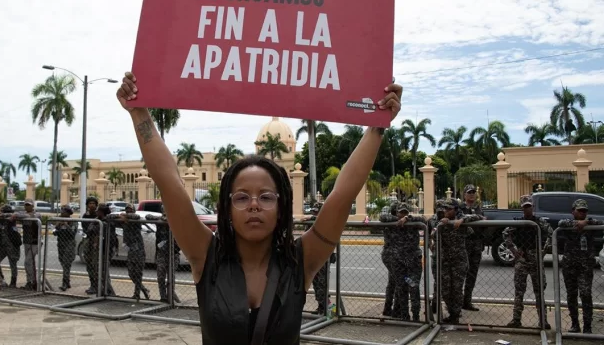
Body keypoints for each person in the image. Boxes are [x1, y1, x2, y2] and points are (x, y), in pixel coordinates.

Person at [116, 71, 402, 343]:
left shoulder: (301, 261)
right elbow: (170, 183)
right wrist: (138, 112)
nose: (254, 205)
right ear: (227, 209)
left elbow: (342, 194)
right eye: (241, 198)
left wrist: (378, 125)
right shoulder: (206, 257)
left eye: (266, 197)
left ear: (281, 207)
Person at [558, 199, 604, 334]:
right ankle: (575, 324)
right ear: (573, 211)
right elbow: (560, 223)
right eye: (579, 211)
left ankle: (587, 326)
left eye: (584, 211)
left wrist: (587, 222)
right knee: (571, 295)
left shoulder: (590, 224)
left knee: (585, 294)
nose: (582, 213)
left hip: (585, 266)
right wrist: (577, 223)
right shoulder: (568, 224)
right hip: (570, 265)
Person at [503, 195, 552, 329]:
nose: (527, 209)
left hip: (535, 258)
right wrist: (513, 250)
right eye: (525, 207)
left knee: (539, 292)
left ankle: (543, 320)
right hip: (522, 259)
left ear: (533, 207)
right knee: (519, 291)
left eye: (529, 206)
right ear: (522, 208)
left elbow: (551, 234)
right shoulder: (518, 222)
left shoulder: (539, 222)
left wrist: (543, 251)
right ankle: (516, 319)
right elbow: (505, 233)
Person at [434, 199, 481, 324]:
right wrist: (442, 224)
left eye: (449, 209)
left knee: (457, 289)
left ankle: (455, 316)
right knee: (445, 290)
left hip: (459, 261)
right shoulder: (441, 223)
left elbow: (479, 216)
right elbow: (433, 235)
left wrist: (462, 220)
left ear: (455, 210)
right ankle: (452, 312)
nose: (446, 211)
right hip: (445, 261)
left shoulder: (461, 222)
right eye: (445, 209)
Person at [380, 202, 425, 321]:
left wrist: (408, 218)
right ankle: (403, 315)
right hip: (398, 262)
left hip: (413, 262)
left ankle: (415, 316)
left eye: (405, 212)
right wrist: (398, 219)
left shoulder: (412, 222)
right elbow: (382, 217)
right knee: (401, 287)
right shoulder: (392, 222)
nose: (403, 214)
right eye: (401, 212)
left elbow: (425, 220)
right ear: (396, 212)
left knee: (413, 286)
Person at [301, 204, 336, 316]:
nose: (314, 214)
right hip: (312, 256)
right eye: (313, 212)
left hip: (322, 257)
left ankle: (329, 310)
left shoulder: (323, 221)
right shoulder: (312, 223)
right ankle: (322, 308)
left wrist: (311, 218)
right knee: (317, 284)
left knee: (322, 285)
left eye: (316, 212)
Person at [146, 206, 182, 303]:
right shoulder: (160, 220)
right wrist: (162, 219)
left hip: (173, 252)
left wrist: (168, 219)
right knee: (160, 276)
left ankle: (171, 295)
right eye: (164, 210)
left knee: (171, 276)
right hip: (161, 253)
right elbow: (148, 216)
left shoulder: (175, 220)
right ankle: (163, 297)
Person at [459, 184, 485, 311]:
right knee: (460, 273)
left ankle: (467, 301)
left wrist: (477, 217)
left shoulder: (478, 208)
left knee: (472, 274)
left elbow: (484, 220)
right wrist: (478, 218)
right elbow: (461, 218)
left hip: (476, 244)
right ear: (464, 195)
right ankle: (457, 302)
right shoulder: (460, 208)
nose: (472, 194)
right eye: (469, 192)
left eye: (473, 192)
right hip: (463, 244)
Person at [118, 203, 150, 300]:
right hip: (130, 251)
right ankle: (144, 289)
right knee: (131, 273)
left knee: (138, 273)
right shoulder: (124, 221)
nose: (128, 212)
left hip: (139, 250)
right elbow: (110, 216)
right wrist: (121, 216)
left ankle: (137, 294)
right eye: (127, 210)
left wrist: (126, 216)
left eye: (130, 210)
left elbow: (136, 216)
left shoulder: (136, 220)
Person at [15, 199, 41, 290]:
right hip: (27, 242)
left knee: (28, 262)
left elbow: (31, 216)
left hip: (35, 242)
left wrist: (19, 215)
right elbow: (17, 215)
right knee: (28, 263)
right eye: (26, 205)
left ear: (33, 206)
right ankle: (30, 281)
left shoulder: (36, 214)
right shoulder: (23, 214)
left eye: (29, 205)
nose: (27, 206)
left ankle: (32, 282)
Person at [0, 204, 21, 288]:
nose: (2, 214)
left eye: (3, 212)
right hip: (2, 245)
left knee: (12, 263)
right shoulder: (0, 219)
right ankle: (0, 278)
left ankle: (13, 281)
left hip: (11, 245)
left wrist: (8, 215)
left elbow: (18, 214)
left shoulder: (11, 220)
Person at [92, 204, 116, 296]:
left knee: (103, 271)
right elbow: (90, 230)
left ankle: (109, 292)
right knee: (99, 270)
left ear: (102, 211)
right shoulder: (97, 220)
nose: (96, 212)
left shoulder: (108, 221)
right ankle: (104, 290)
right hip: (101, 248)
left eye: (98, 210)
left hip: (107, 248)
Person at [428, 200, 447, 313]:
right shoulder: (431, 220)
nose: (440, 209)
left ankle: (451, 308)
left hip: (448, 254)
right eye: (438, 207)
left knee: (445, 282)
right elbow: (427, 235)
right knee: (437, 280)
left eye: (442, 207)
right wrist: (430, 245)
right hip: (436, 255)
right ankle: (435, 305)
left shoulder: (449, 219)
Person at [53, 205, 77, 291]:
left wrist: (66, 225)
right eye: (62, 211)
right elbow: (55, 232)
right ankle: (67, 281)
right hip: (61, 243)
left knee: (67, 263)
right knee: (62, 261)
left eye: (64, 211)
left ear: (68, 213)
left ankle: (65, 283)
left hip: (69, 243)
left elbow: (73, 233)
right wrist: (57, 226)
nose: (62, 212)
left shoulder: (73, 221)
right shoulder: (59, 221)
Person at [82, 196, 100, 295]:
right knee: (89, 264)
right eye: (90, 203)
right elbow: (85, 228)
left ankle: (97, 285)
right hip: (89, 240)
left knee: (95, 264)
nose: (92, 205)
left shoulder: (98, 215)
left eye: (93, 203)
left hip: (96, 241)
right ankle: (92, 284)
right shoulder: (85, 216)